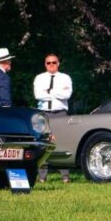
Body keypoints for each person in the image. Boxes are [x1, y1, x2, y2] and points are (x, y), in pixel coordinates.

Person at [33, 53, 73, 183]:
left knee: (62, 143)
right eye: (48, 63)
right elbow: (38, 95)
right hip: (44, 113)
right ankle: (42, 176)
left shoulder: (65, 78)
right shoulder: (39, 78)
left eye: (54, 62)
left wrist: (49, 91)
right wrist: (56, 92)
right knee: (43, 144)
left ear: (58, 63)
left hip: (60, 113)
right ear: (45, 64)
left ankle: (65, 176)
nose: (51, 65)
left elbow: (66, 95)